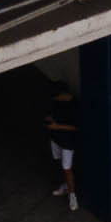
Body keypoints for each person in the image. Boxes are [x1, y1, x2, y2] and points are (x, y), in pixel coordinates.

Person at [44, 65, 80, 211]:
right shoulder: (57, 101)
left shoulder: (74, 106)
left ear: (62, 94)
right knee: (62, 165)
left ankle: (72, 195)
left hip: (67, 142)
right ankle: (66, 186)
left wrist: (57, 126)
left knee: (67, 168)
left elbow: (75, 127)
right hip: (56, 138)